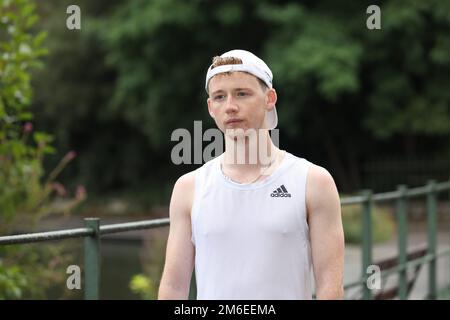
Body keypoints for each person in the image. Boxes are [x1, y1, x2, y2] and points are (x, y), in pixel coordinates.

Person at [158, 49, 344, 300]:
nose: (231, 107)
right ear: (211, 107)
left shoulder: (313, 182)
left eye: (242, 94)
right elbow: (173, 288)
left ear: (269, 98)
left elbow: (329, 288)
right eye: (220, 97)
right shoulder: (189, 188)